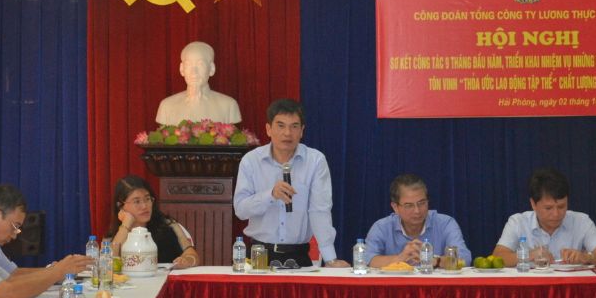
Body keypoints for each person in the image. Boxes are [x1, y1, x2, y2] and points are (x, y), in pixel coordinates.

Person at [233, 98, 345, 266]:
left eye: (294, 126)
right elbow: (241, 210)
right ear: (268, 129)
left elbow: (319, 211)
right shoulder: (251, 161)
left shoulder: (315, 161)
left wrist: (330, 259)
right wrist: (270, 195)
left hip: (298, 255)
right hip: (259, 254)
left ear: (302, 131)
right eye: (281, 126)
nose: (287, 133)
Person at [491, 168, 596, 268]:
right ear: (533, 204)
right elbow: (497, 257)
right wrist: (529, 255)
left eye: (561, 206)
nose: (556, 214)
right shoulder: (518, 222)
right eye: (548, 208)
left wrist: (586, 257)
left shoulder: (582, 221)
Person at [364, 174, 472, 268]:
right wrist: (400, 258)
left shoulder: (445, 223)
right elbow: (367, 259)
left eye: (422, 203)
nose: (417, 211)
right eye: (409, 205)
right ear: (395, 207)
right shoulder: (381, 227)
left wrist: (434, 260)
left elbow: (465, 259)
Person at [109, 175, 199, 269]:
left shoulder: (168, 225)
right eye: (137, 201)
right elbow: (108, 264)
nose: (144, 206)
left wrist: (188, 260)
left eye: (147, 199)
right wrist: (126, 224)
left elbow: (193, 255)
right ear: (120, 205)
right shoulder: (115, 235)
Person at [155, 40, 242, 125]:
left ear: (211, 69)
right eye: (188, 64)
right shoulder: (167, 106)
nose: (194, 72)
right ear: (182, 69)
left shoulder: (228, 106)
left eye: (200, 64)